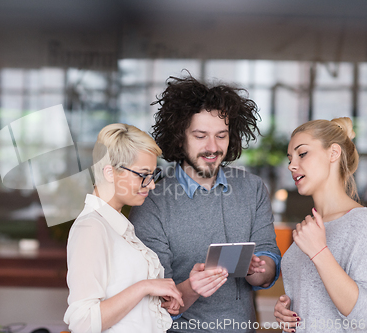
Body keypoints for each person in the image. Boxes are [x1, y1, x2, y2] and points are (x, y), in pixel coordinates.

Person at [129, 75, 281, 333]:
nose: (213, 147)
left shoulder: (252, 189)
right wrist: (191, 287)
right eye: (201, 136)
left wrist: (259, 269)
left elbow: (268, 257)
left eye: (221, 136)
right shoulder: (152, 200)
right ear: (180, 138)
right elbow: (153, 302)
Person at [65, 123, 195, 333]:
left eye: (153, 175)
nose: (151, 185)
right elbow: (83, 322)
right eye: (143, 174)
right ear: (109, 172)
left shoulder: (115, 226)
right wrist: (145, 287)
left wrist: (156, 300)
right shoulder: (91, 228)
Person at [274, 118, 367, 333]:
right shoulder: (308, 230)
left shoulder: (361, 225)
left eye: (302, 153)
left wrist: (319, 252)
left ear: (333, 153)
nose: (291, 165)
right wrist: (286, 313)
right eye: (290, 158)